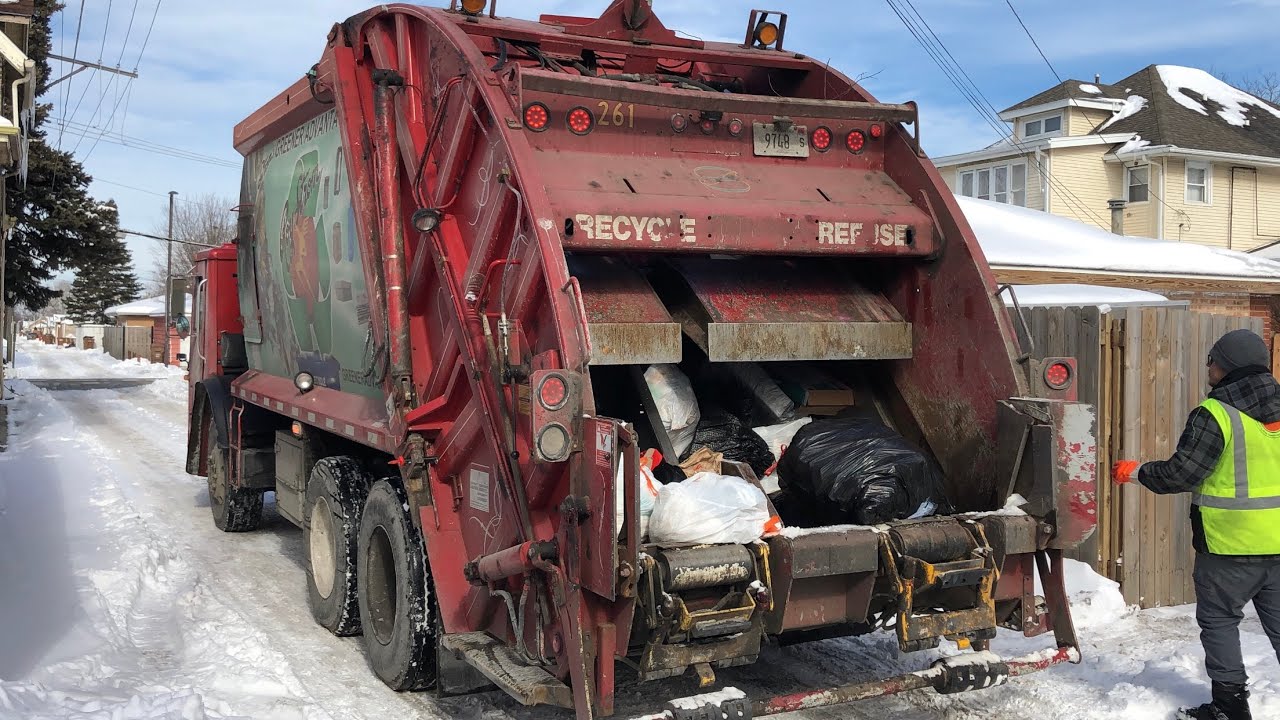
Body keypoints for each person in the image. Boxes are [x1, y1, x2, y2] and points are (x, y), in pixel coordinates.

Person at [1112, 329, 1280, 720]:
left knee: (1220, 624)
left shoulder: (1217, 414)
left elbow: (1180, 475)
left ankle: (1229, 709)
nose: (1209, 368)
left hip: (1228, 550)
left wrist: (1134, 472)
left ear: (1227, 366)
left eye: (1212, 360)